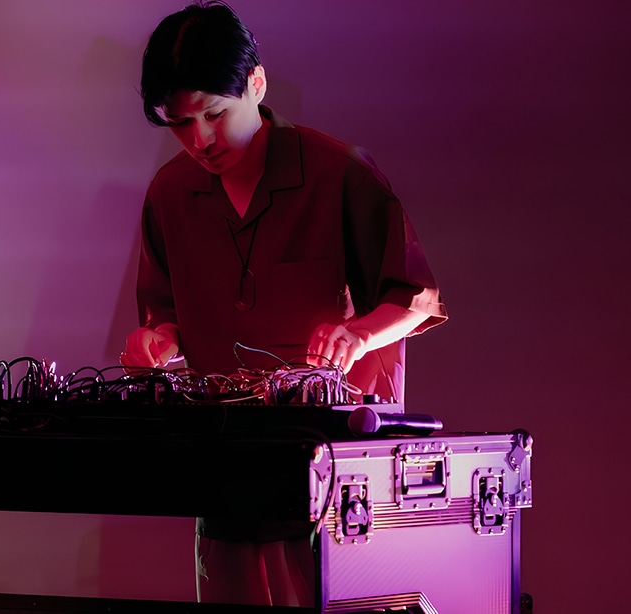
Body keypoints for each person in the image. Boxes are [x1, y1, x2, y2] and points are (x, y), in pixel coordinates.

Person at [120, 2, 447, 606]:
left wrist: (359, 335)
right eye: (180, 124)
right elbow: (163, 312)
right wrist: (157, 340)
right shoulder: (169, 193)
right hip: (225, 466)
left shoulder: (340, 173)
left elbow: (416, 299)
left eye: (214, 115)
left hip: (338, 470)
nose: (200, 140)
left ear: (257, 84)